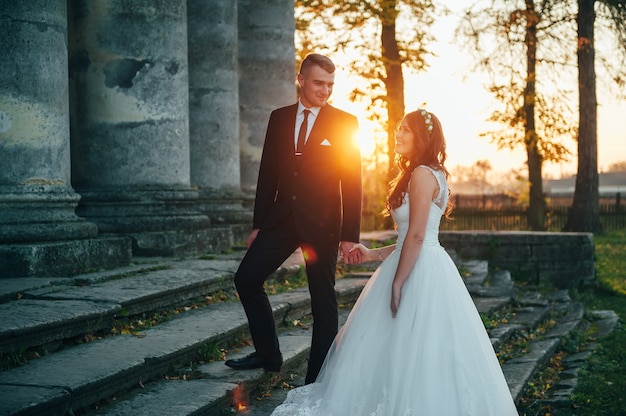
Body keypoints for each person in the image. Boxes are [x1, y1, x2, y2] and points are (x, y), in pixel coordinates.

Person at [270, 109, 519, 415]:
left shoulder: (422, 175)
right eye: (398, 129)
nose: (397, 135)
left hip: (419, 271)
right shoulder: (430, 172)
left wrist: (398, 281)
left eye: (405, 130)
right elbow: (409, 240)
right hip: (424, 260)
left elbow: (416, 237)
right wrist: (372, 254)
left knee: (414, 348)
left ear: (422, 138)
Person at [224, 53, 362, 385]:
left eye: (330, 85)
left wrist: (349, 234)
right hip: (282, 218)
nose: (325, 90)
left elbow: (353, 181)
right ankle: (268, 353)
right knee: (246, 279)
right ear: (300, 80)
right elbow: (268, 174)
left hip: (323, 223)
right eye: (318, 83)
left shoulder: (345, 123)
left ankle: (317, 378)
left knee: (322, 300)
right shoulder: (280, 118)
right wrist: (259, 224)